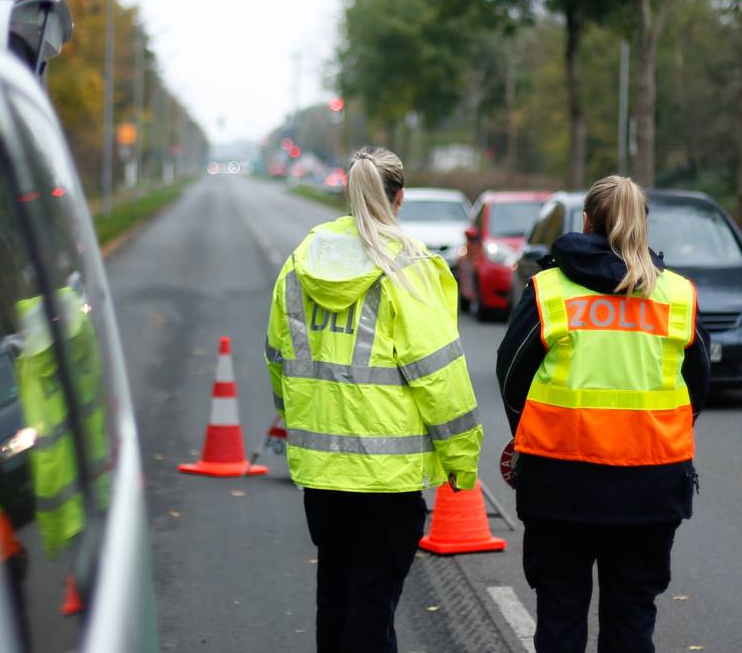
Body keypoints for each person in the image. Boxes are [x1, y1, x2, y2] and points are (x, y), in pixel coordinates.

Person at [266, 146, 484, 653]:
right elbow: (439, 375)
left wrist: (297, 418)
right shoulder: (409, 266)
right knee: (372, 605)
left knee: (335, 596)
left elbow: (278, 357)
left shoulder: (303, 261)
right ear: (399, 196)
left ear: (348, 191)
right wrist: (461, 458)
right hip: (388, 478)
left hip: (323, 475)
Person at [495, 176, 711, 653]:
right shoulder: (677, 295)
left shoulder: (549, 290)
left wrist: (528, 436)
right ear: (643, 226)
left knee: (560, 616)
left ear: (587, 221)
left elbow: (511, 375)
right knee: (632, 619)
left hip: (558, 484)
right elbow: (697, 387)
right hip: (651, 486)